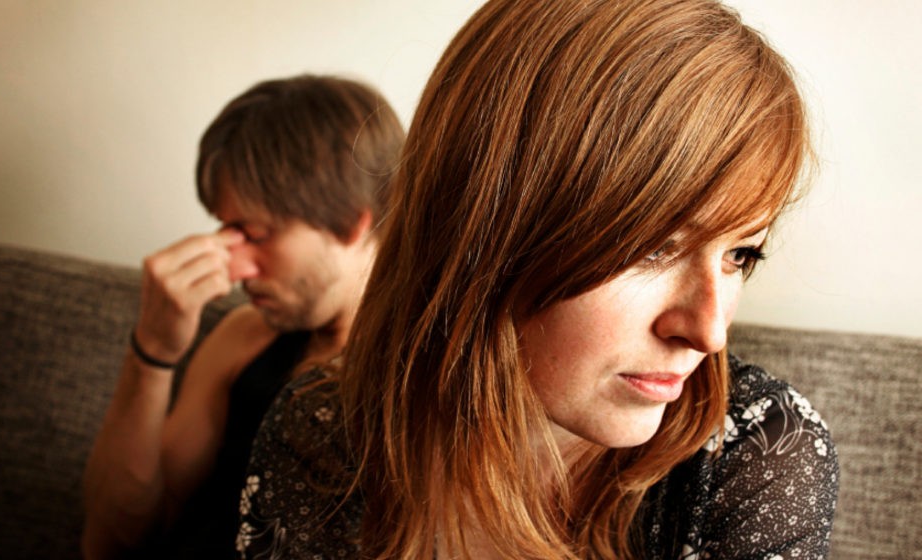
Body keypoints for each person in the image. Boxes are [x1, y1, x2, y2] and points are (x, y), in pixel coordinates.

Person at [237, 1, 839, 558]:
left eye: (741, 255)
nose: (709, 332)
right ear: (485, 223)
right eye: (652, 247)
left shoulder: (759, 454)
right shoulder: (323, 432)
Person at [81, 74, 404, 559]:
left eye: (255, 234)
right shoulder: (246, 336)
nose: (235, 269)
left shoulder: (422, 377)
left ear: (352, 222)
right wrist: (152, 352)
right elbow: (113, 542)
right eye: (226, 231)